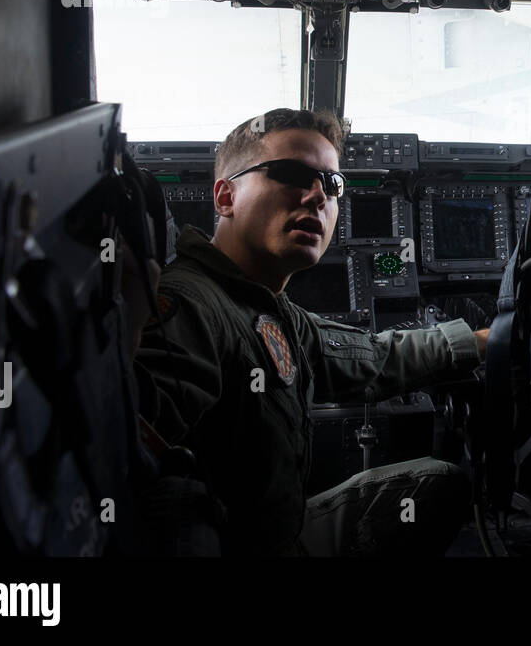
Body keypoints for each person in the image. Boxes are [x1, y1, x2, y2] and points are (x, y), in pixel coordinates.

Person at [132, 108, 488, 555]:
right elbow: (125, 451)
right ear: (225, 198)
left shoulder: (270, 308)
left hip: (280, 532)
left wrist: (478, 342)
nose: (318, 196)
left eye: (332, 184)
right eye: (292, 174)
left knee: (439, 485)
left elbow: (371, 357)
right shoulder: (191, 306)